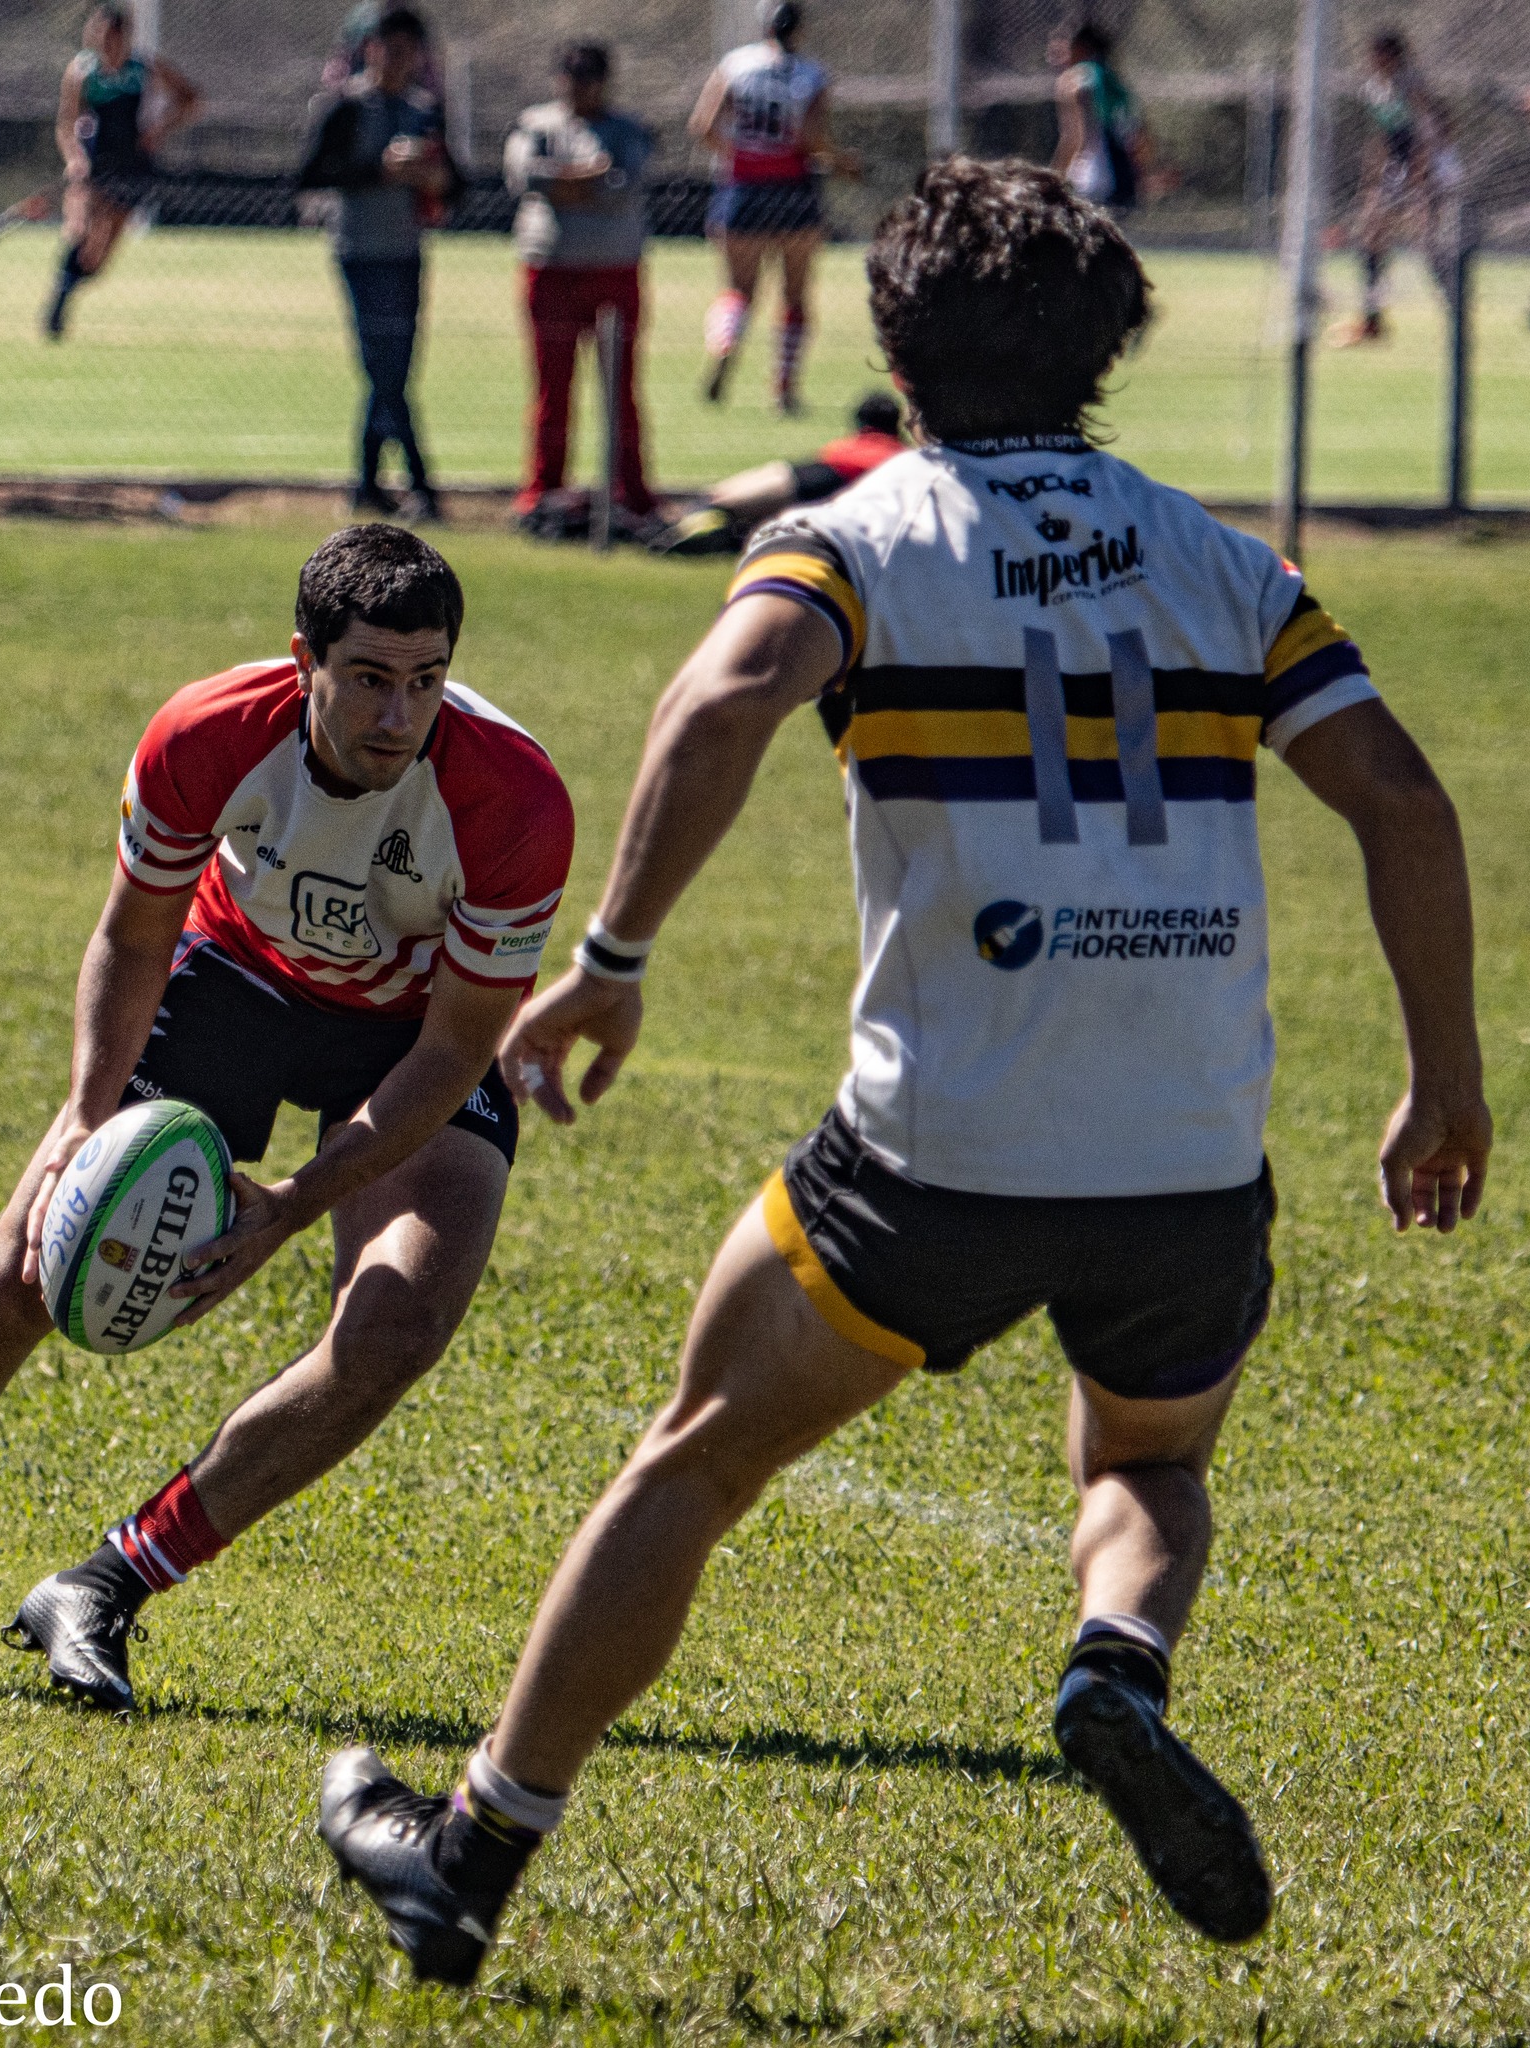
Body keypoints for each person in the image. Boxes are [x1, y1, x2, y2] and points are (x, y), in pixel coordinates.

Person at [317, 158, 1492, 1984]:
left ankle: (470, 1848)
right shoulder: (1225, 564)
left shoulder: (862, 539)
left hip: (927, 1156)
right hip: (1185, 1159)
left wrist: (610, 965)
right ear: (1110, 339)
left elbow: (717, 700)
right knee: (1151, 1472)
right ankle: (1113, 1666)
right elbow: (1401, 800)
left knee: (695, 1459)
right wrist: (1443, 1082)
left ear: (894, 337)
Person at [0, 526, 576, 1716]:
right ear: (305, 658)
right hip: (235, 980)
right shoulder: (207, 732)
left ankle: (105, 1581)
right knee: (20, 1267)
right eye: (367, 677)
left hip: (405, 1030)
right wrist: (78, 1125)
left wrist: (294, 1206)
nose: (398, 712)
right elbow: (134, 935)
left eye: (426, 679)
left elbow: (458, 1046)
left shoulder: (512, 798)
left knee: (396, 1324)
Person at [299, 8, 460, 521]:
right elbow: (309, 173)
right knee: (383, 369)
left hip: (406, 251)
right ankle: (422, 485)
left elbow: (458, 184)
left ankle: (366, 483)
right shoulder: (343, 107)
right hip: (359, 251)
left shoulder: (425, 109)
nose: (396, 60)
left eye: (407, 51)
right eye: (388, 48)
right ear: (369, 50)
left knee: (393, 370)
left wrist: (433, 180)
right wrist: (380, 171)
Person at [504, 44, 656, 525]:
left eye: (589, 77)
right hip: (550, 268)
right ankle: (543, 490)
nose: (579, 86)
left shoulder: (627, 131)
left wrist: (565, 184)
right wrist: (584, 178)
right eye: (571, 76)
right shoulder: (536, 124)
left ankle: (631, 493)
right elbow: (526, 178)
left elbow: (623, 187)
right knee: (552, 387)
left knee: (621, 390)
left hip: (614, 269)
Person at [689, 0, 851, 413]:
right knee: (794, 294)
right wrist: (845, 162)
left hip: (742, 189)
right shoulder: (812, 74)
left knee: (738, 290)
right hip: (793, 189)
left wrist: (741, 156)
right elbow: (813, 138)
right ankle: (783, 388)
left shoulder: (735, 64)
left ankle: (725, 345)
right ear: (799, 29)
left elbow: (704, 126)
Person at [43, 5, 200, 340]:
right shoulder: (82, 71)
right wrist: (74, 158)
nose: (106, 45)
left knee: (98, 258)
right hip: (94, 165)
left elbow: (190, 99)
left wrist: (157, 131)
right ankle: (58, 301)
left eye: (113, 38)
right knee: (81, 227)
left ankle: (70, 286)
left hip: (131, 167)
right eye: (100, 38)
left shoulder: (143, 68)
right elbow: (65, 124)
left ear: (125, 37)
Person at [653, 387, 903, 555]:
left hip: (817, 469)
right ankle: (688, 527)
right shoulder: (899, 453)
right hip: (830, 480)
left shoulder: (852, 444)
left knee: (723, 498)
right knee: (739, 509)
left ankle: (673, 523)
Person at [1332, 32, 1458, 348]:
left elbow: (1433, 130)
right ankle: (1372, 321)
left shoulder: (1410, 85)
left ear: (1391, 55)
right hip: (1399, 169)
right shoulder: (1377, 88)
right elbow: (1386, 136)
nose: (1370, 61)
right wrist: (1376, 172)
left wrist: (1421, 175)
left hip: (1427, 165)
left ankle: (1457, 314)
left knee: (1426, 240)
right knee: (1372, 236)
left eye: (1376, 54)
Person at [1050, 21, 1150, 215]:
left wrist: (1054, 179)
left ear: (1080, 48)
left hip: (1089, 177)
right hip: (1122, 177)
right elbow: (1138, 134)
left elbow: (1073, 137)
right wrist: (1141, 174)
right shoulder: (1113, 80)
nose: (1052, 54)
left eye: (1060, 46)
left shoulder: (1073, 79)